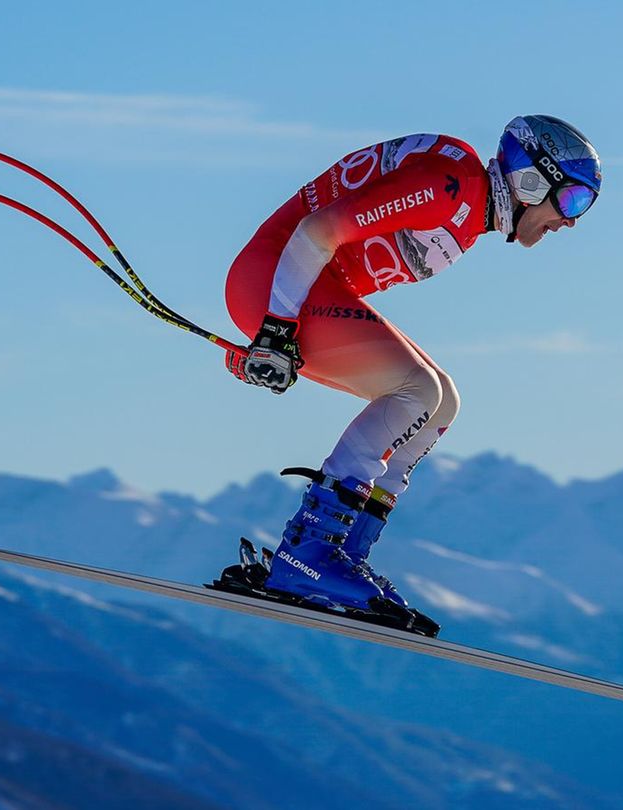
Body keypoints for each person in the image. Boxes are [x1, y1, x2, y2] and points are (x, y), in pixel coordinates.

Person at [223, 115, 601, 628]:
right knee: (416, 390)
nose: (572, 220)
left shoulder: (467, 205)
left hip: (301, 289)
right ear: (531, 180)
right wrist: (275, 329)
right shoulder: (452, 188)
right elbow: (319, 229)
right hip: (277, 283)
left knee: (441, 401)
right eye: (574, 200)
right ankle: (307, 554)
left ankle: (343, 553)